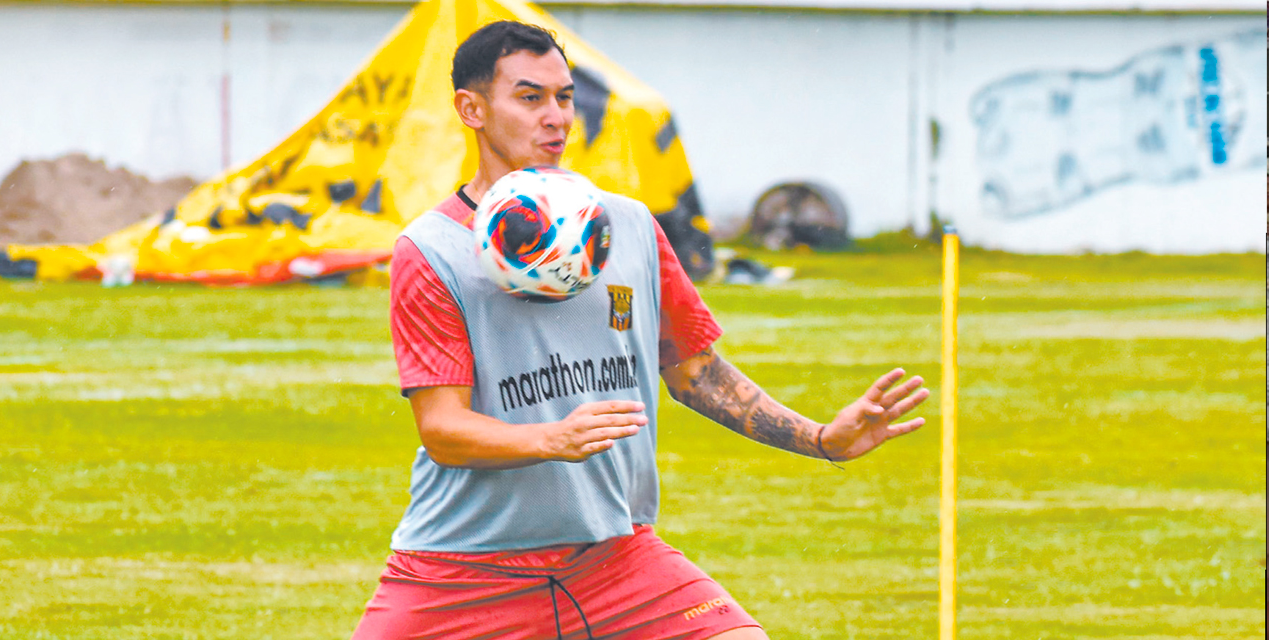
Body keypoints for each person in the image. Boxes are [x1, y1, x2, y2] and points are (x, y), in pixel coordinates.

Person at [352, 21, 930, 640]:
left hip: (615, 560)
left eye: (565, 96)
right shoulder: (432, 249)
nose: (557, 117)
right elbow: (443, 430)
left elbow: (697, 374)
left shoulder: (629, 227)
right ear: (471, 108)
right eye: (530, 97)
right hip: (462, 571)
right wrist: (553, 438)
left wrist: (820, 437)